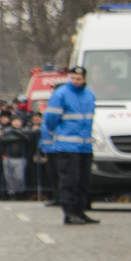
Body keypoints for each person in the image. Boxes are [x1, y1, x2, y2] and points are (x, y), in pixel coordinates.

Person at [42, 66, 97, 224]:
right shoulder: (61, 94)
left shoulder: (89, 94)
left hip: (85, 147)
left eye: (78, 79)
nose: (75, 81)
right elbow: (51, 119)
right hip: (67, 146)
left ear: (84, 79)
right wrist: (55, 134)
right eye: (72, 78)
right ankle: (70, 213)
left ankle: (80, 212)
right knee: (69, 182)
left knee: (83, 182)